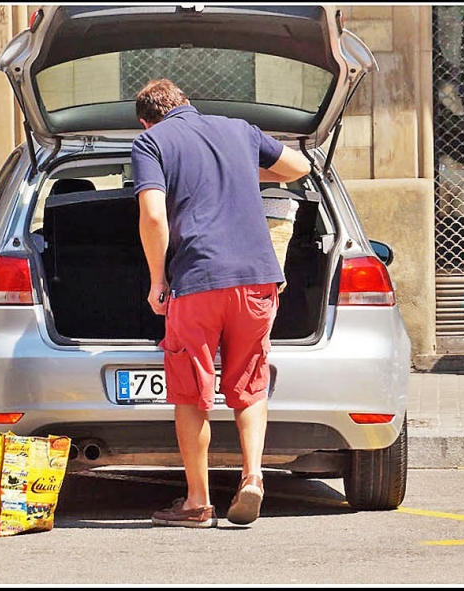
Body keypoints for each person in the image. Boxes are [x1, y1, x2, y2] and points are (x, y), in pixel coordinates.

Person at [130, 79, 310, 527]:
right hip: (257, 281)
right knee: (250, 381)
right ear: (188, 102)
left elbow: (153, 215)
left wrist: (157, 280)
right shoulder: (238, 129)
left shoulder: (151, 142)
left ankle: (197, 502)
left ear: (145, 118)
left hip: (198, 280)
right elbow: (299, 166)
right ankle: (252, 477)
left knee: (193, 392)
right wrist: (246, 169)